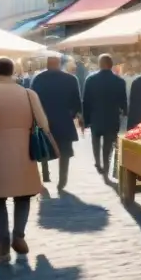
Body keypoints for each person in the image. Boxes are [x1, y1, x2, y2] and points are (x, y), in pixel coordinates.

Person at [0, 57, 56, 260]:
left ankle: (3, 243)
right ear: (12, 70)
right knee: (23, 196)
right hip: (25, 150)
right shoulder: (28, 93)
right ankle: (19, 236)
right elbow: (44, 124)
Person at [30, 53, 82, 189]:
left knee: (44, 147)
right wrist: (72, 114)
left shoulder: (38, 79)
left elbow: (32, 101)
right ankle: (62, 180)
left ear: (47, 64)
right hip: (64, 119)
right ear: (59, 64)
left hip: (44, 119)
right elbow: (77, 102)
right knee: (64, 151)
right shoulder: (71, 79)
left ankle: (46, 174)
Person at [83, 54, 128, 177]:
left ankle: (97, 162)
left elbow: (85, 101)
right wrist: (124, 112)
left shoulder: (90, 80)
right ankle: (106, 165)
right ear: (111, 65)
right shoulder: (119, 81)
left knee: (95, 140)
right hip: (112, 118)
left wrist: (86, 120)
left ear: (99, 64)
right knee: (108, 143)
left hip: (95, 117)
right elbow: (123, 101)